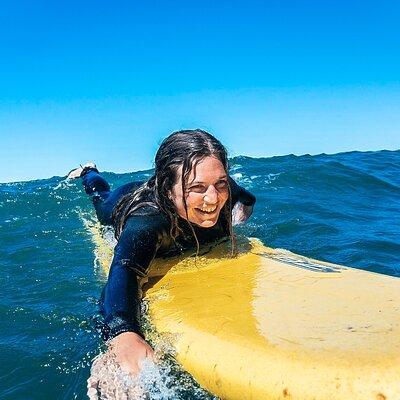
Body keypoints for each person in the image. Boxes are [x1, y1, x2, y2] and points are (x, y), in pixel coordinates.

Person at [68, 129, 256, 376]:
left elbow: (247, 200)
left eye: (220, 183)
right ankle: (89, 172)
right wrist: (123, 333)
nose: (213, 199)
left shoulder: (225, 191)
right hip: (125, 199)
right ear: (168, 189)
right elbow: (125, 269)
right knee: (100, 200)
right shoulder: (148, 221)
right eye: (197, 187)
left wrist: (234, 218)